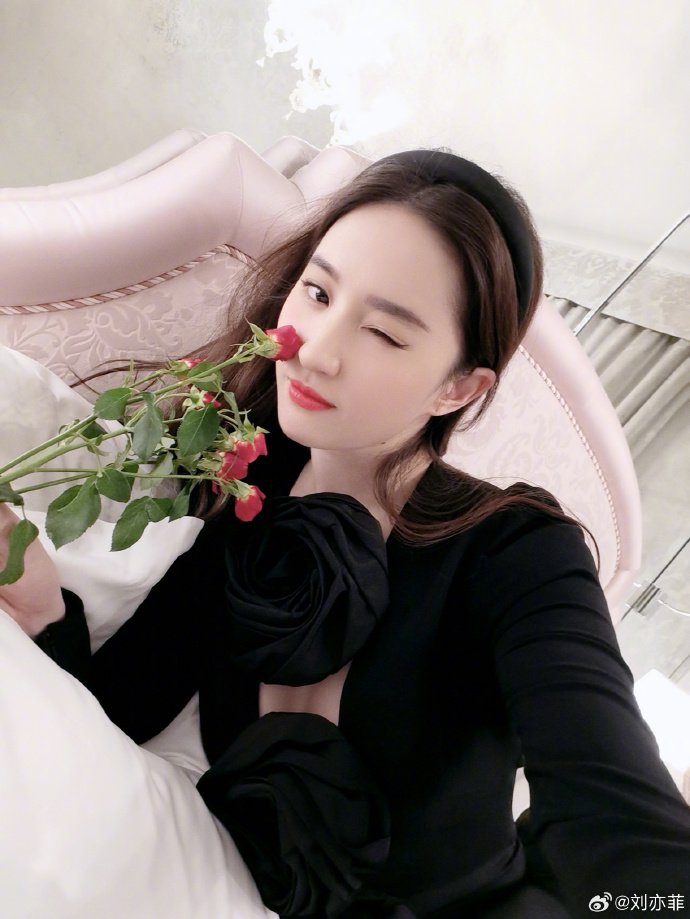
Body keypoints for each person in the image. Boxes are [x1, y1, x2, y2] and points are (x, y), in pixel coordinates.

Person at [2, 149, 690, 918]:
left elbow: (610, 807)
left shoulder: (517, 551)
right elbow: (120, 706)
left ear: (458, 387)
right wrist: (42, 605)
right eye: (319, 292)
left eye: (385, 334)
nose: (316, 350)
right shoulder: (245, 490)